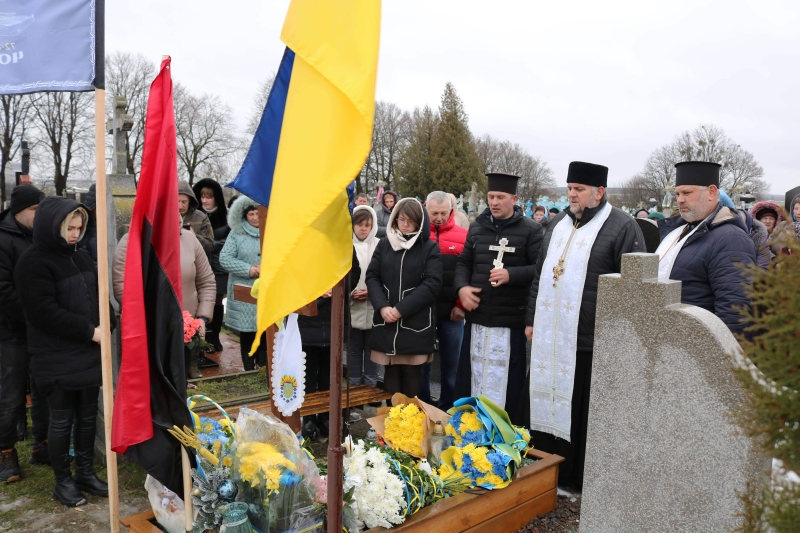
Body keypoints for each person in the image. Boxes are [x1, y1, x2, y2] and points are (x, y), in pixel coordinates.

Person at [523, 161, 646, 491]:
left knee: (579, 413)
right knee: (540, 402)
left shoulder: (622, 226)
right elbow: (541, 276)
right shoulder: (557, 224)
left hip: (589, 341)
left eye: (579, 190)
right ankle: (539, 471)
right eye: (569, 188)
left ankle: (574, 480)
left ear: (599, 192)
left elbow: (634, 288)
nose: (572, 195)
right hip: (549, 336)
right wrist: (532, 319)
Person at [15, 197, 116, 506]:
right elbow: (43, 312)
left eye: (79, 227)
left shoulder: (81, 257)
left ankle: (84, 473)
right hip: (56, 355)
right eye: (68, 228)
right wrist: (90, 331)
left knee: (87, 417)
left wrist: (109, 319)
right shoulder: (33, 262)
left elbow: (98, 295)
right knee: (61, 421)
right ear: (51, 226)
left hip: (87, 354)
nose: (74, 234)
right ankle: (63, 482)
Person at [453, 173, 543, 413]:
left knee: (506, 385)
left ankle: (504, 436)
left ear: (514, 198)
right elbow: (464, 262)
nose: (494, 202)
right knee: (473, 377)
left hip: (510, 321)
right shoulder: (477, 226)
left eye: (500, 197)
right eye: (491, 196)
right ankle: (470, 431)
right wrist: (462, 288)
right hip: (478, 318)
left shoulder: (531, 230)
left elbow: (540, 269)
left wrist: (511, 275)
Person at [114, 200, 216, 380]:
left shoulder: (189, 239)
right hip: (148, 329)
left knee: (179, 382)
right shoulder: (130, 242)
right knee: (152, 384)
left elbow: (206, 281)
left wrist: (201, 318)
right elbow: (123, 288)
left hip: (184, 329)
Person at [655, 161, 755, 334]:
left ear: (711, 192)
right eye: (677, 193)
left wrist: (714, 358)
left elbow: (735, 312)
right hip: (670, 342)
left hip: (695, 348)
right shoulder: (680, 231)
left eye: (687, 193)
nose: (679, 200)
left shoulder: (731, 239)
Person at [366, 198, 442, 399]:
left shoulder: (428, 248)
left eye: (410, 220)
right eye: (401, 219)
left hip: (413, 321)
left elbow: (432, 284)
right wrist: (382, 307)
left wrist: (400, 309)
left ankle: (410, 425)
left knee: (410, 371)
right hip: (387, 320)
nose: (405, 224)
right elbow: (372, 276)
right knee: (390, 370)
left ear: (420, 222)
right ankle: (391, 424)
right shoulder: (384, 244)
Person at [0, 185, 50, 482]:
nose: (39, 214)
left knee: (44, 389)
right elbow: (3, 291)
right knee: (10, 394)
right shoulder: (3, 239)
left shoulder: (42, 235)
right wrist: (37, 314)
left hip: (41, 329)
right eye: (34, 210)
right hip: (11, 330)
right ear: (18, 211)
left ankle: (41, 445)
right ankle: (6, 453)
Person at [421, 191, 468, 410]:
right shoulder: (417, 234)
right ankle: (422, 408)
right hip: (422, 312)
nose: (439, 218)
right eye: (434, 213)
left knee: (453, 366)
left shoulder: (463, 236)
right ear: (425, 210)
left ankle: (449, 410)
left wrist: (461, 306)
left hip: (452, 313)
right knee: (421, 363)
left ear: (451, 211)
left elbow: (469, 273)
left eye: (443, 213)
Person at [218, 196, 266, 371]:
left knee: (266, 328)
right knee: (247, 330)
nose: (254, 217)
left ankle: (263, 365)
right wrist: (248, 269)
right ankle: (248, 366)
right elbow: (225, 258)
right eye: (251, 214)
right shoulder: (236, 233)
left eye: (257, 213)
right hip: (244, 290)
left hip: (267, 289)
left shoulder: (271, 231)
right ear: (244, 215)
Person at [192, 179, 231, 357]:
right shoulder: (195, 216)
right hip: (198, 264)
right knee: (199, 301)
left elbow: (230, 241)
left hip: (218, 264)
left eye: (209, 197)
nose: (206, 201)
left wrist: (212, 245)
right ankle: (199, 338)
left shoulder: (227, 217)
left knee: (216, 302)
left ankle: (215, 337)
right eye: (202, 197)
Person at [348, 205, 381, 390]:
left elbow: (384, 273)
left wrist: (372, 293)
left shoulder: (379, 245)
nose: (363, 228)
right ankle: (353, 387)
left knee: (372, 349)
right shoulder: (346, 245)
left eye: (367, 225)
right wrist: (351, 292)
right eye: (359, 224)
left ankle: (370, 387)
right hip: (353, 305)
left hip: (373, 306)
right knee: (354, 349)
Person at [178, 181, 215, 255]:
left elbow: (211, 246)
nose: (180, 206)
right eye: (177, 201)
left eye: (184, 202)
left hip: (195, 263)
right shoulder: (165, 217)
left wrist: (195, 237)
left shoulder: (201, 218)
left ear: (190, 201)